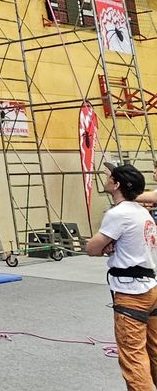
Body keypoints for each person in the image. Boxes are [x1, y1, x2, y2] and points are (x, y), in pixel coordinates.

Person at [86, 162, 157, 391]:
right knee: (154, 351)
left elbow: (92, 248)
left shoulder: (118, 214)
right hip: (151, 288)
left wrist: (102, 246)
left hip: (132, 293)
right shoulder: (143, 213)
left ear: (116, 185)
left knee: (133, 357)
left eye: (110, 177)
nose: (105, 179)